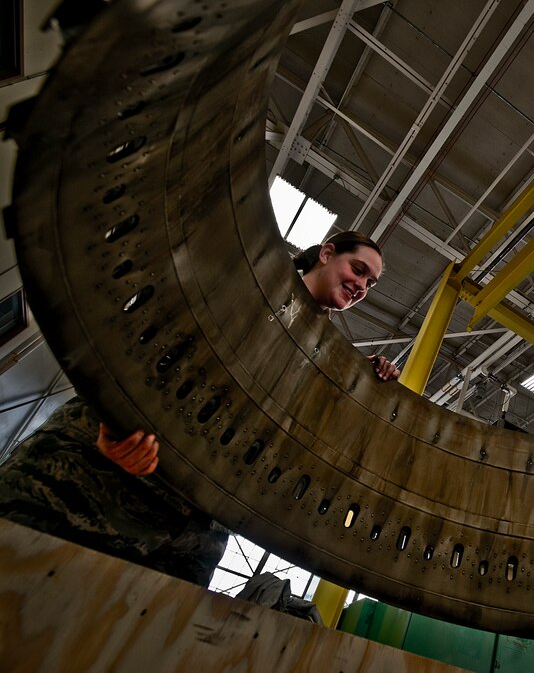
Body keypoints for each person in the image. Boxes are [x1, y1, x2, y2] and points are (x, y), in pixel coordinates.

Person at [0, 231, 399, 585]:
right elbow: (143, 334)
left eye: (372, 283)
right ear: (327, 253)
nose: (362, 285)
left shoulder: (329, 354)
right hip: (105, 467)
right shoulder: (247, 280)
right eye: (358, 269)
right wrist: (111, 421)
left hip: (192, 519)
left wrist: (361, 379)